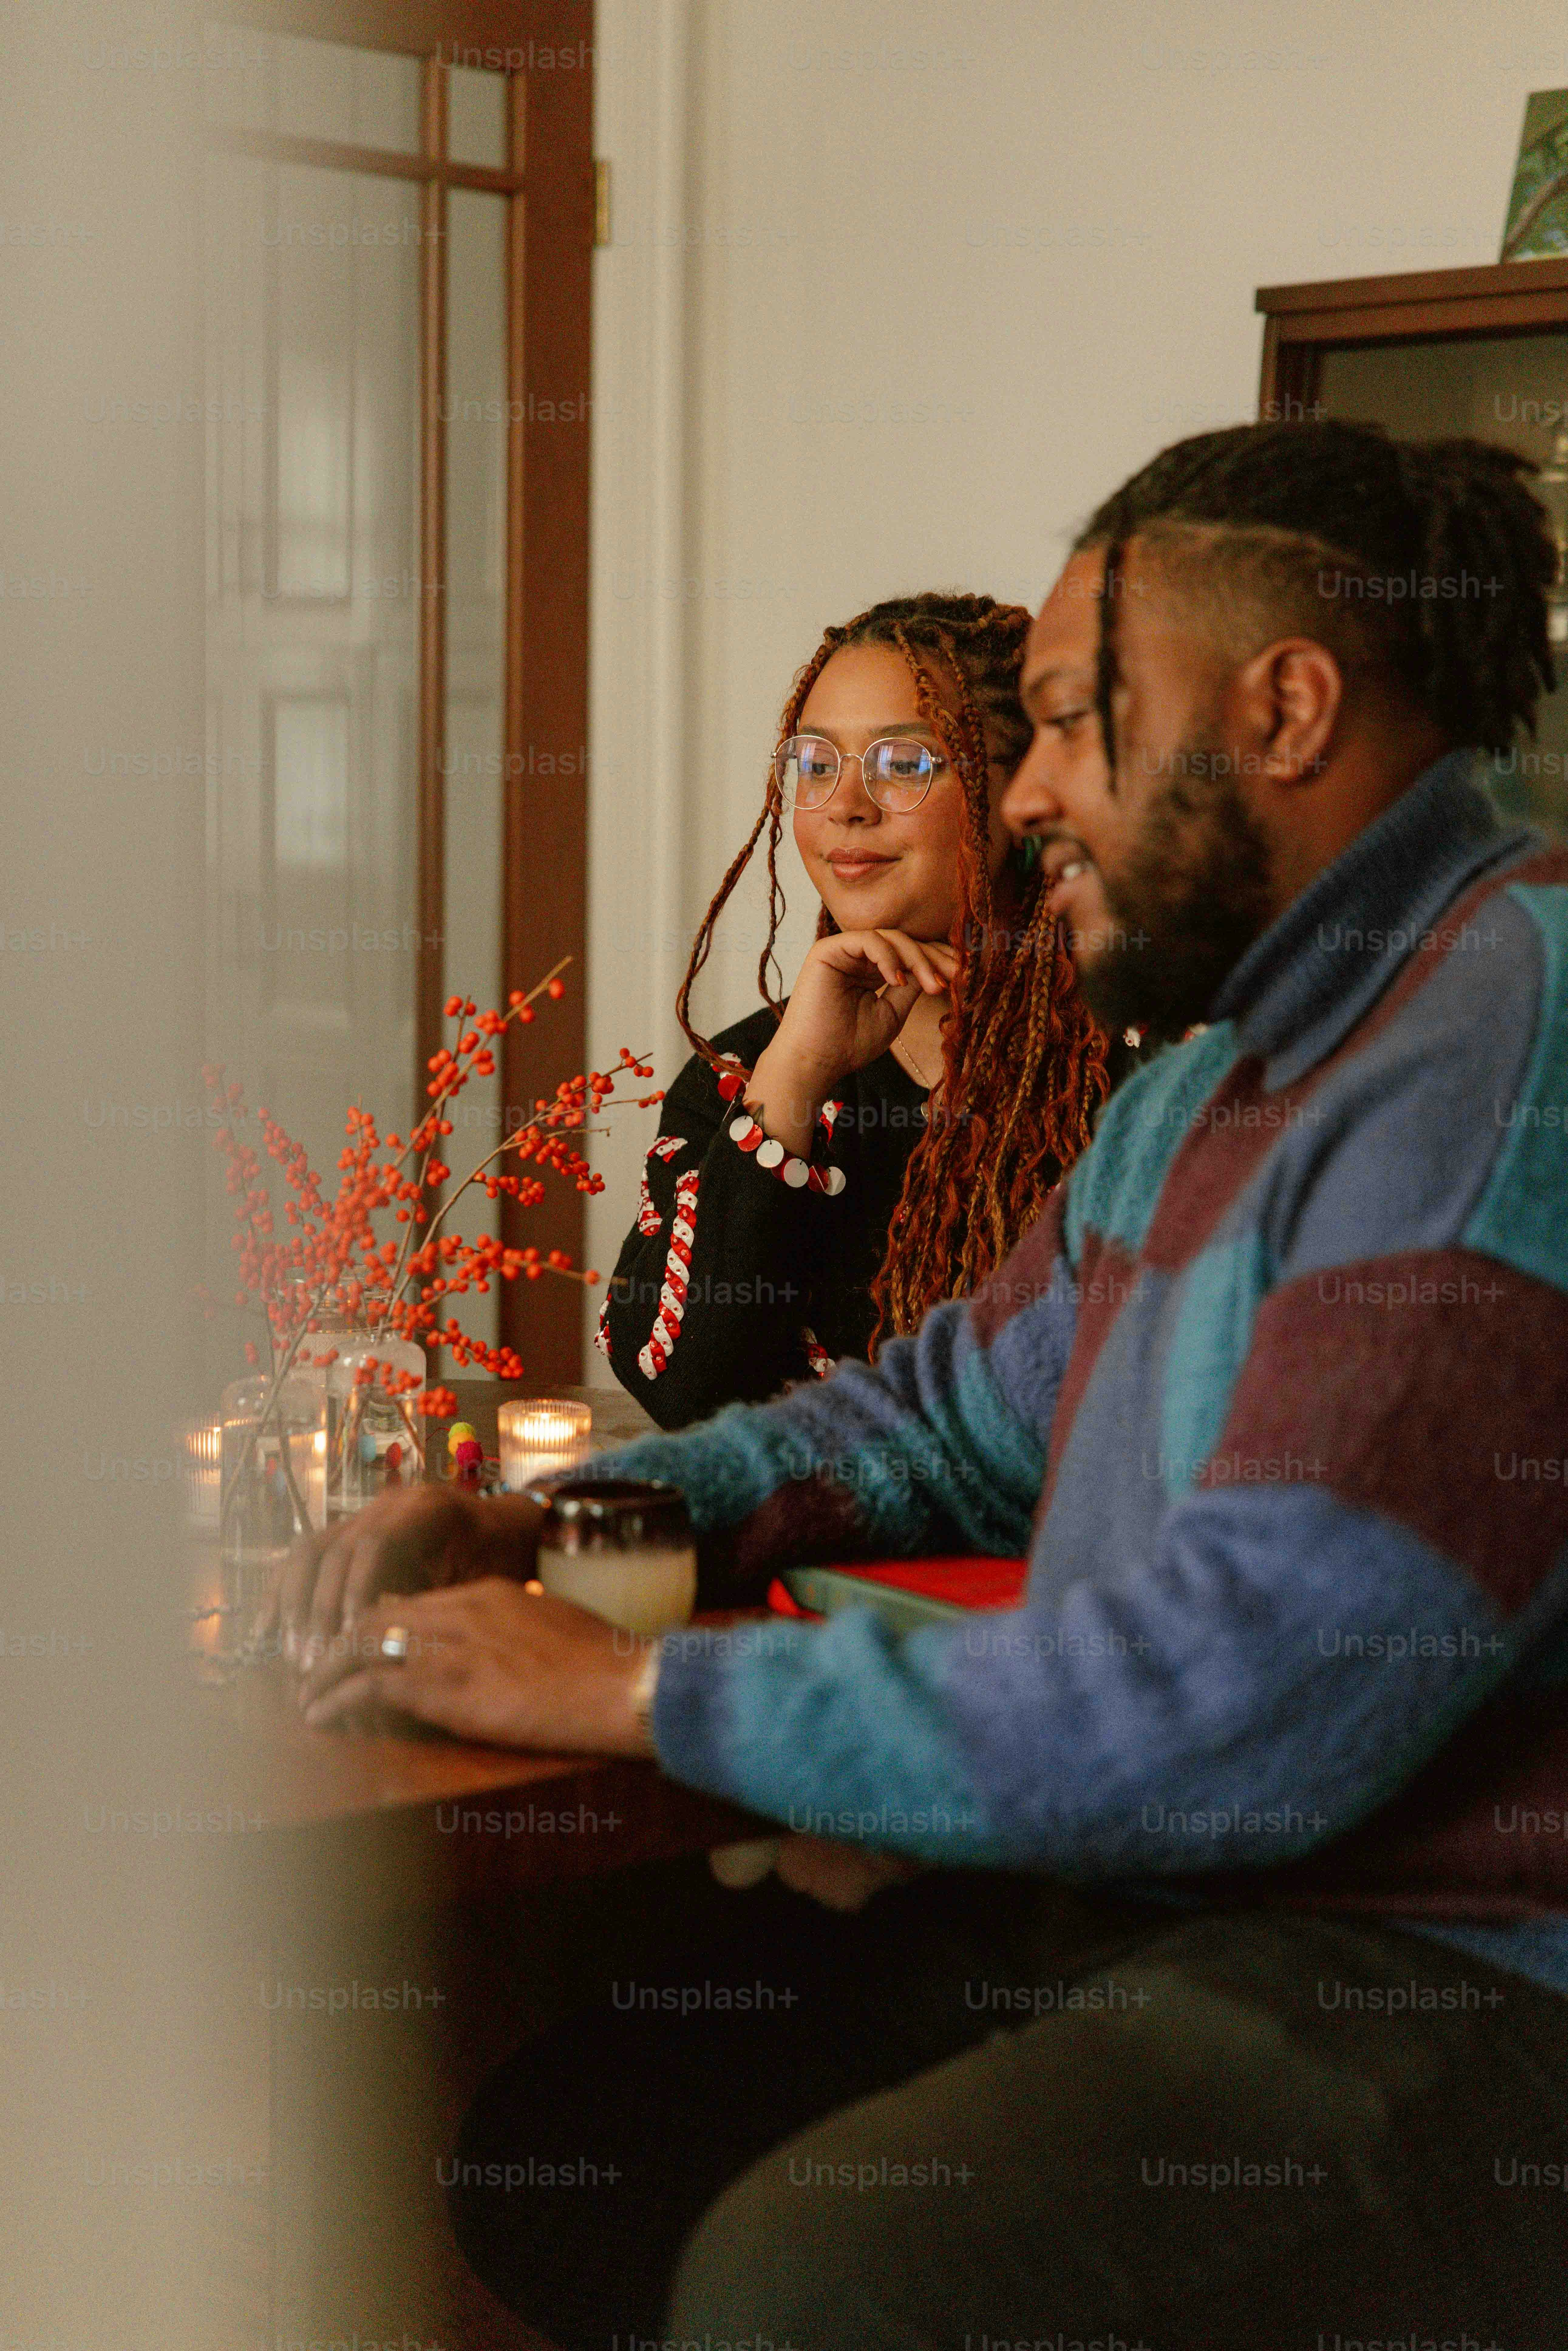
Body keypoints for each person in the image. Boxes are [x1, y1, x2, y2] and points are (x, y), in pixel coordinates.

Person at [283, 420, 1568, 2350]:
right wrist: (567, 1522)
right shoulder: (1214, 1078)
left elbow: (1244, 1711)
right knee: (584, 2131)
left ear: (1288, 707)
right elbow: (948, 1416)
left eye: (1059, 718)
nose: (1026, 784)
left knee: (821, 2278)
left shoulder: (1493, 1051)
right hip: (1185, 1906)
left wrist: (639, 1685)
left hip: (1456, 1974)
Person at [597, 591, 1119, 1427]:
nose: (846, 805)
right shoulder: (744, 1075)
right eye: (816, 763)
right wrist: (795, 1078)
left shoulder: (1135, 1056)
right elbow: (682, 1389)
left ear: (1022, 791)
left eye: (905, 765)